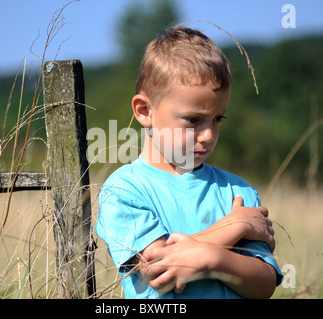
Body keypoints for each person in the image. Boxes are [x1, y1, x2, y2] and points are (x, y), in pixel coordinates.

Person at [94, 26, 283, 299]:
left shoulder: (238, 194)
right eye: (193, 120)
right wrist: (229, 233)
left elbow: (264, 285)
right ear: (145, 111)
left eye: (218, 119)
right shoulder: (124, 191)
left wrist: (211, 258)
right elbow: (158, 269)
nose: (208, 135)